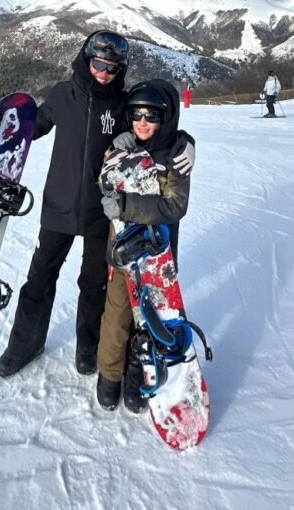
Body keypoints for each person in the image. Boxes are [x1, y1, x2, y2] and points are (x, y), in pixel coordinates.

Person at [0, 31, 196, 379]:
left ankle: (88, 347)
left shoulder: (122, 106)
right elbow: (30, 128)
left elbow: (154, 129)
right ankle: (25, 344)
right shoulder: (62, 96)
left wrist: (186, 142)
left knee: (93, 283)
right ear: (85, 59)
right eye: (98, 64)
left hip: (102, 211)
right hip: (58, 206)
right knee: (39, 279)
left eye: (112, 68)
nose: (104, 73)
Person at [95, 80, 193, 412]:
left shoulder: (176, 154)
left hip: (157, 245)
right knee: (119, 307)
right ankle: (109, 374)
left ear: (165, 117)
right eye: (136, 114)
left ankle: (140, 371)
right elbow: (105, 182)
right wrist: (116, 158)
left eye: (151, 115)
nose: (142, 122)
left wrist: (124, 205)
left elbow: (175, 206)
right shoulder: (123, 145)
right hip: (123, 240)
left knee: (153, 312)